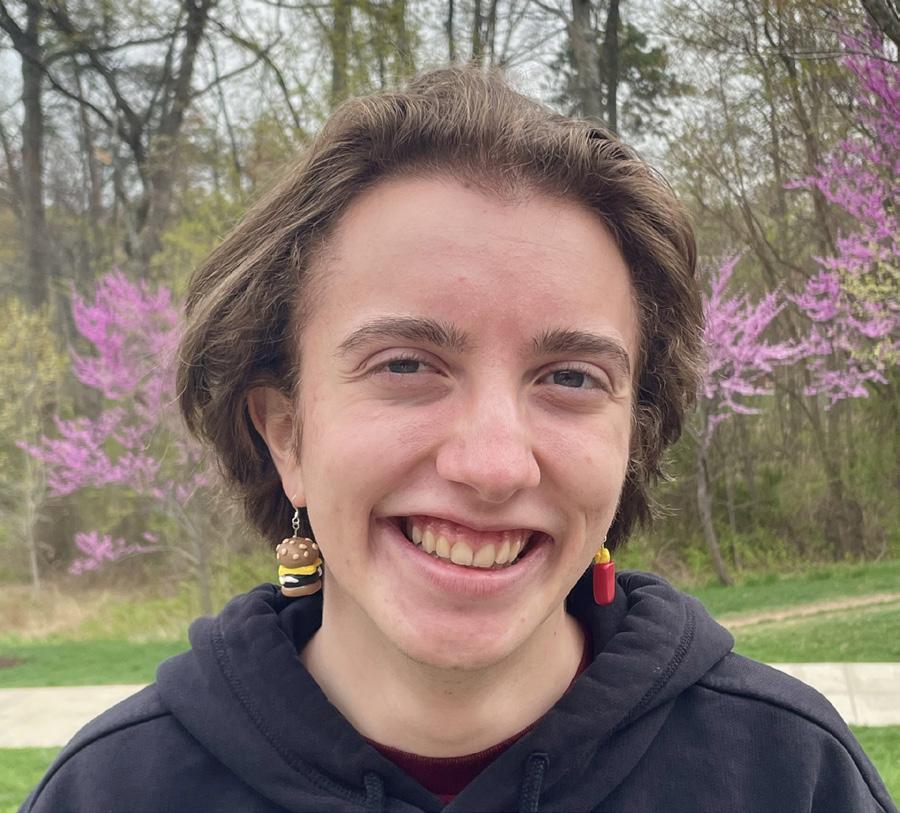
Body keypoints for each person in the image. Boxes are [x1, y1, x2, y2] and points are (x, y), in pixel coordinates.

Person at [22, 67, 895, 813]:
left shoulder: (791, 775)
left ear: (633, 432)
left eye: (570, 377)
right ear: (285, 434)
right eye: (407, 364)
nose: (493, 464)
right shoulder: (110, 791)